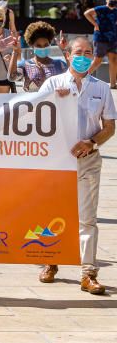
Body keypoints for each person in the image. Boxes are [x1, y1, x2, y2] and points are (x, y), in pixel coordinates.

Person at [39, 36, 115, 295]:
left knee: (87, 218)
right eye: (78, 51)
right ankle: (51, 262)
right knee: (52, 214)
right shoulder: (53, 83)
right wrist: (53, 99)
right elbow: (34, 117)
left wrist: (92, 142)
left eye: (88, 51)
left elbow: (110, 127)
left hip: (88, 160)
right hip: (57, 162)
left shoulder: (101, 88)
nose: (83, 55)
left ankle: (88, 272)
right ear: (68, 55)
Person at [20, 21, 68, 92]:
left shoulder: (60, 64)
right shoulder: (25, 65)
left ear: (50, 44)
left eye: (45, 45)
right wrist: (15, 52)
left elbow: (73, 75)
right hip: (32, 102)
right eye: (38, 45)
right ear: (32, 46)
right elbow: (12, 78)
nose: (42, 48)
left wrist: (64, 50)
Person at [85, 0, 117, 89]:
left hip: (113, 40)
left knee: (114, 61)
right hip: (101, 38)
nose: (113, 0)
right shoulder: (101, 9)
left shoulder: (116, 11)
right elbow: (87, 13)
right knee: (97, 61)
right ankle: (82, 77)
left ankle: (112, 84)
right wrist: (95, 24)